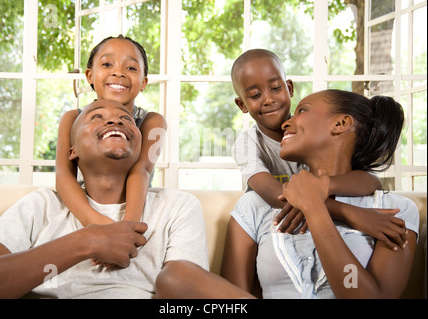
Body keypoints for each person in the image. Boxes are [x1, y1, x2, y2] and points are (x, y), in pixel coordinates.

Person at [155, 90, 419, 299]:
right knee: (175, 276)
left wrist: (315, 208)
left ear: (341, 123)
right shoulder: (254, 206)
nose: (286, 122)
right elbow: (234, 297)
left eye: (301, 110)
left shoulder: (395, 210)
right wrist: (327, 204)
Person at [0, 99, 207, 299]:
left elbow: (187, 289)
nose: (115, 121)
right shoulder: (41, 205)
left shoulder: (178, 207)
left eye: (125, 119)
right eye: (96, 116)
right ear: (72, 151)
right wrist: (86, 241)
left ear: (141, 150)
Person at [230, 49, 407, 250]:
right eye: (255, 95)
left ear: (289, 88)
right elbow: (276, 194)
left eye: (276, 88)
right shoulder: (247, 143)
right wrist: (350, 213)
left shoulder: (311, 135)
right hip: (274, 221)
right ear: (242, 105)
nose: (268, 99)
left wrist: (324, 186)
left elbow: (371, 181)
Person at [56, 35, 167, 229]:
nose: (118, 73)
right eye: (107, 64)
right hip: (84, 213)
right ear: (90, 75)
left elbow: (141, 171)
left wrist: (128, 227)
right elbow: (64, 175)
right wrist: (96, 223)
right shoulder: (72, 119)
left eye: (131, 68)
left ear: (143, 82)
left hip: (136, 212)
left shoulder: (153, 122)